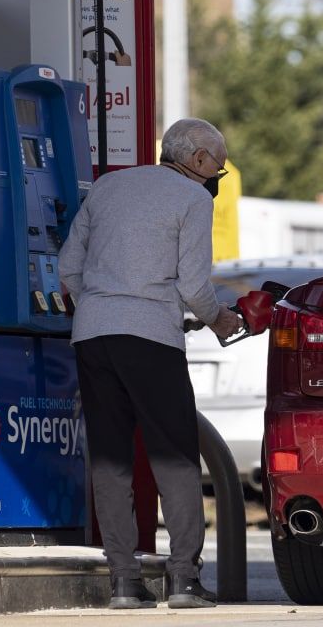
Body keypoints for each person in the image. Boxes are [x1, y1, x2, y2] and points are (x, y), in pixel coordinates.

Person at [58, 118, 242, 610]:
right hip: (151, 338)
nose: (216, 177)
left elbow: (68, 267)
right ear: (198, 160)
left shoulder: (108, 186)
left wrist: (101, 302)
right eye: (217, 168)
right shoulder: (193, 198)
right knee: (174, 454)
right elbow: (193, 286)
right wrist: (220, 319)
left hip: (93, 335)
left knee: (111, 457)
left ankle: (124, 582)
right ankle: (183, 579)